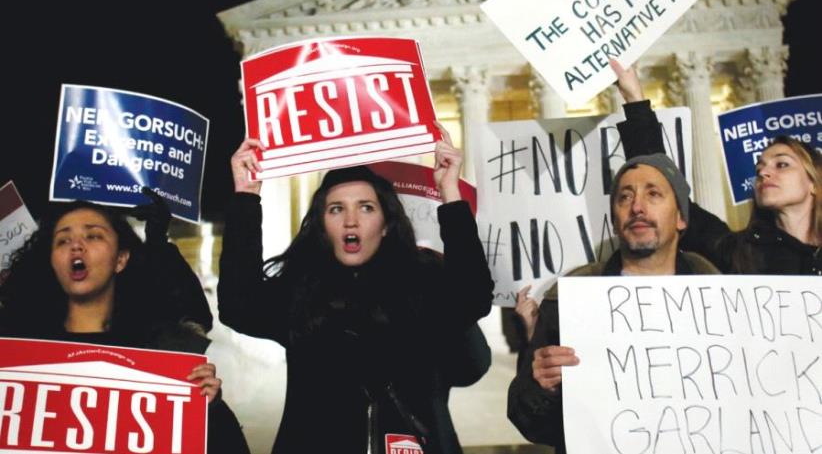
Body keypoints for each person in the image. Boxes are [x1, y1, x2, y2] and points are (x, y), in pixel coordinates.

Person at [219, 131, 493, 454]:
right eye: (336, 209)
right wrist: (246, 198)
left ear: (386, 223)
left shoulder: (421, 288)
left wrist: (450, 191)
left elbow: (473, 295)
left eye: (365, 208)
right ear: (322, 225)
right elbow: (239, 306)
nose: (351, 221)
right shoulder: (301, 295)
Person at [0, 198, 250, 454]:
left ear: (121, 259)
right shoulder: (17, 359)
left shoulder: (160, 355)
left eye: (93, 236)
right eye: (63, 240)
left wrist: (209, 411)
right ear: (51, 262)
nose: (76, 245)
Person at [507, 152, 719, 453]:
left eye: (654, 194)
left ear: (681, 218)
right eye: (624, 198)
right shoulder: (569, 296)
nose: (637, 208)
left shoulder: (717, 292)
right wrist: (541, 388)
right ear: (615, 220)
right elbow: (529, 423)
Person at [611, 59, 822, 275]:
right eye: (759, 169)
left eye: (782, 164)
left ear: (813, 182)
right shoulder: (739, 253)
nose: (764, 173)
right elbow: (661, 182)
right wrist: (634, 99)